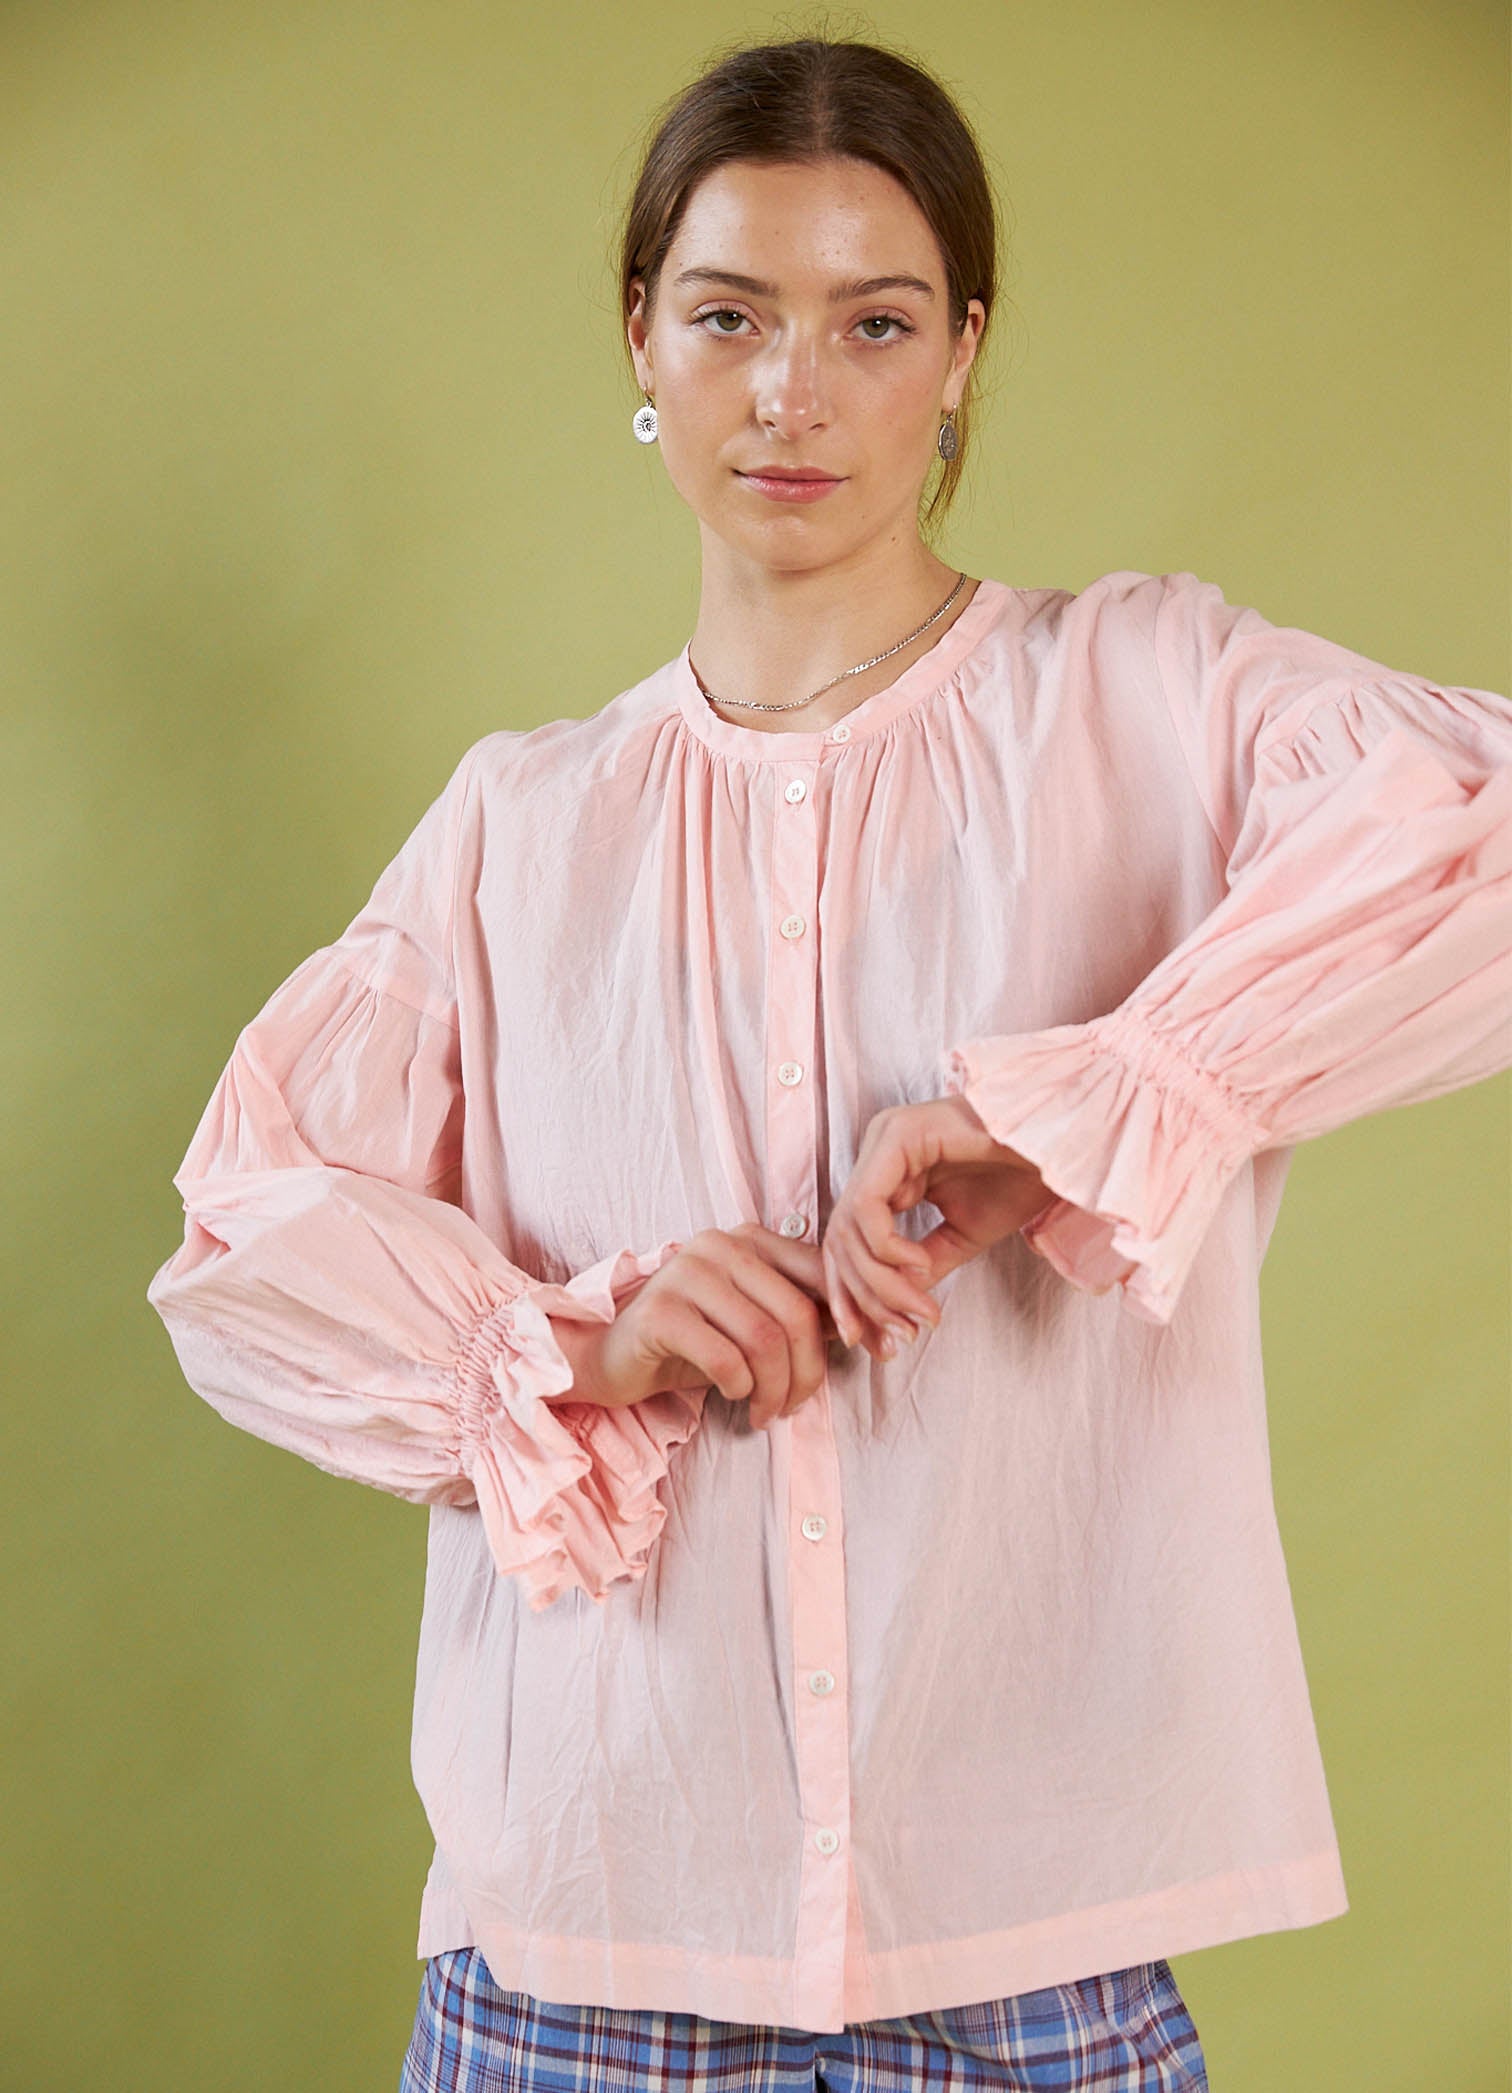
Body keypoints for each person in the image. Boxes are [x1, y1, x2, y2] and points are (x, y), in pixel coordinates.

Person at [145, 33, 1512, 2093]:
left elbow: (1475, 825)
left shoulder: (1144, 694)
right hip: (578, 1973)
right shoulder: (518, 828)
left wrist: (1087, 1096)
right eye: (730, 317)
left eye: (873, 322)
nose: (795, 392)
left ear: (964, 348)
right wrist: (565, 1347)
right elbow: (245, 1230)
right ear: (642, 334)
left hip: (1031, 1980)